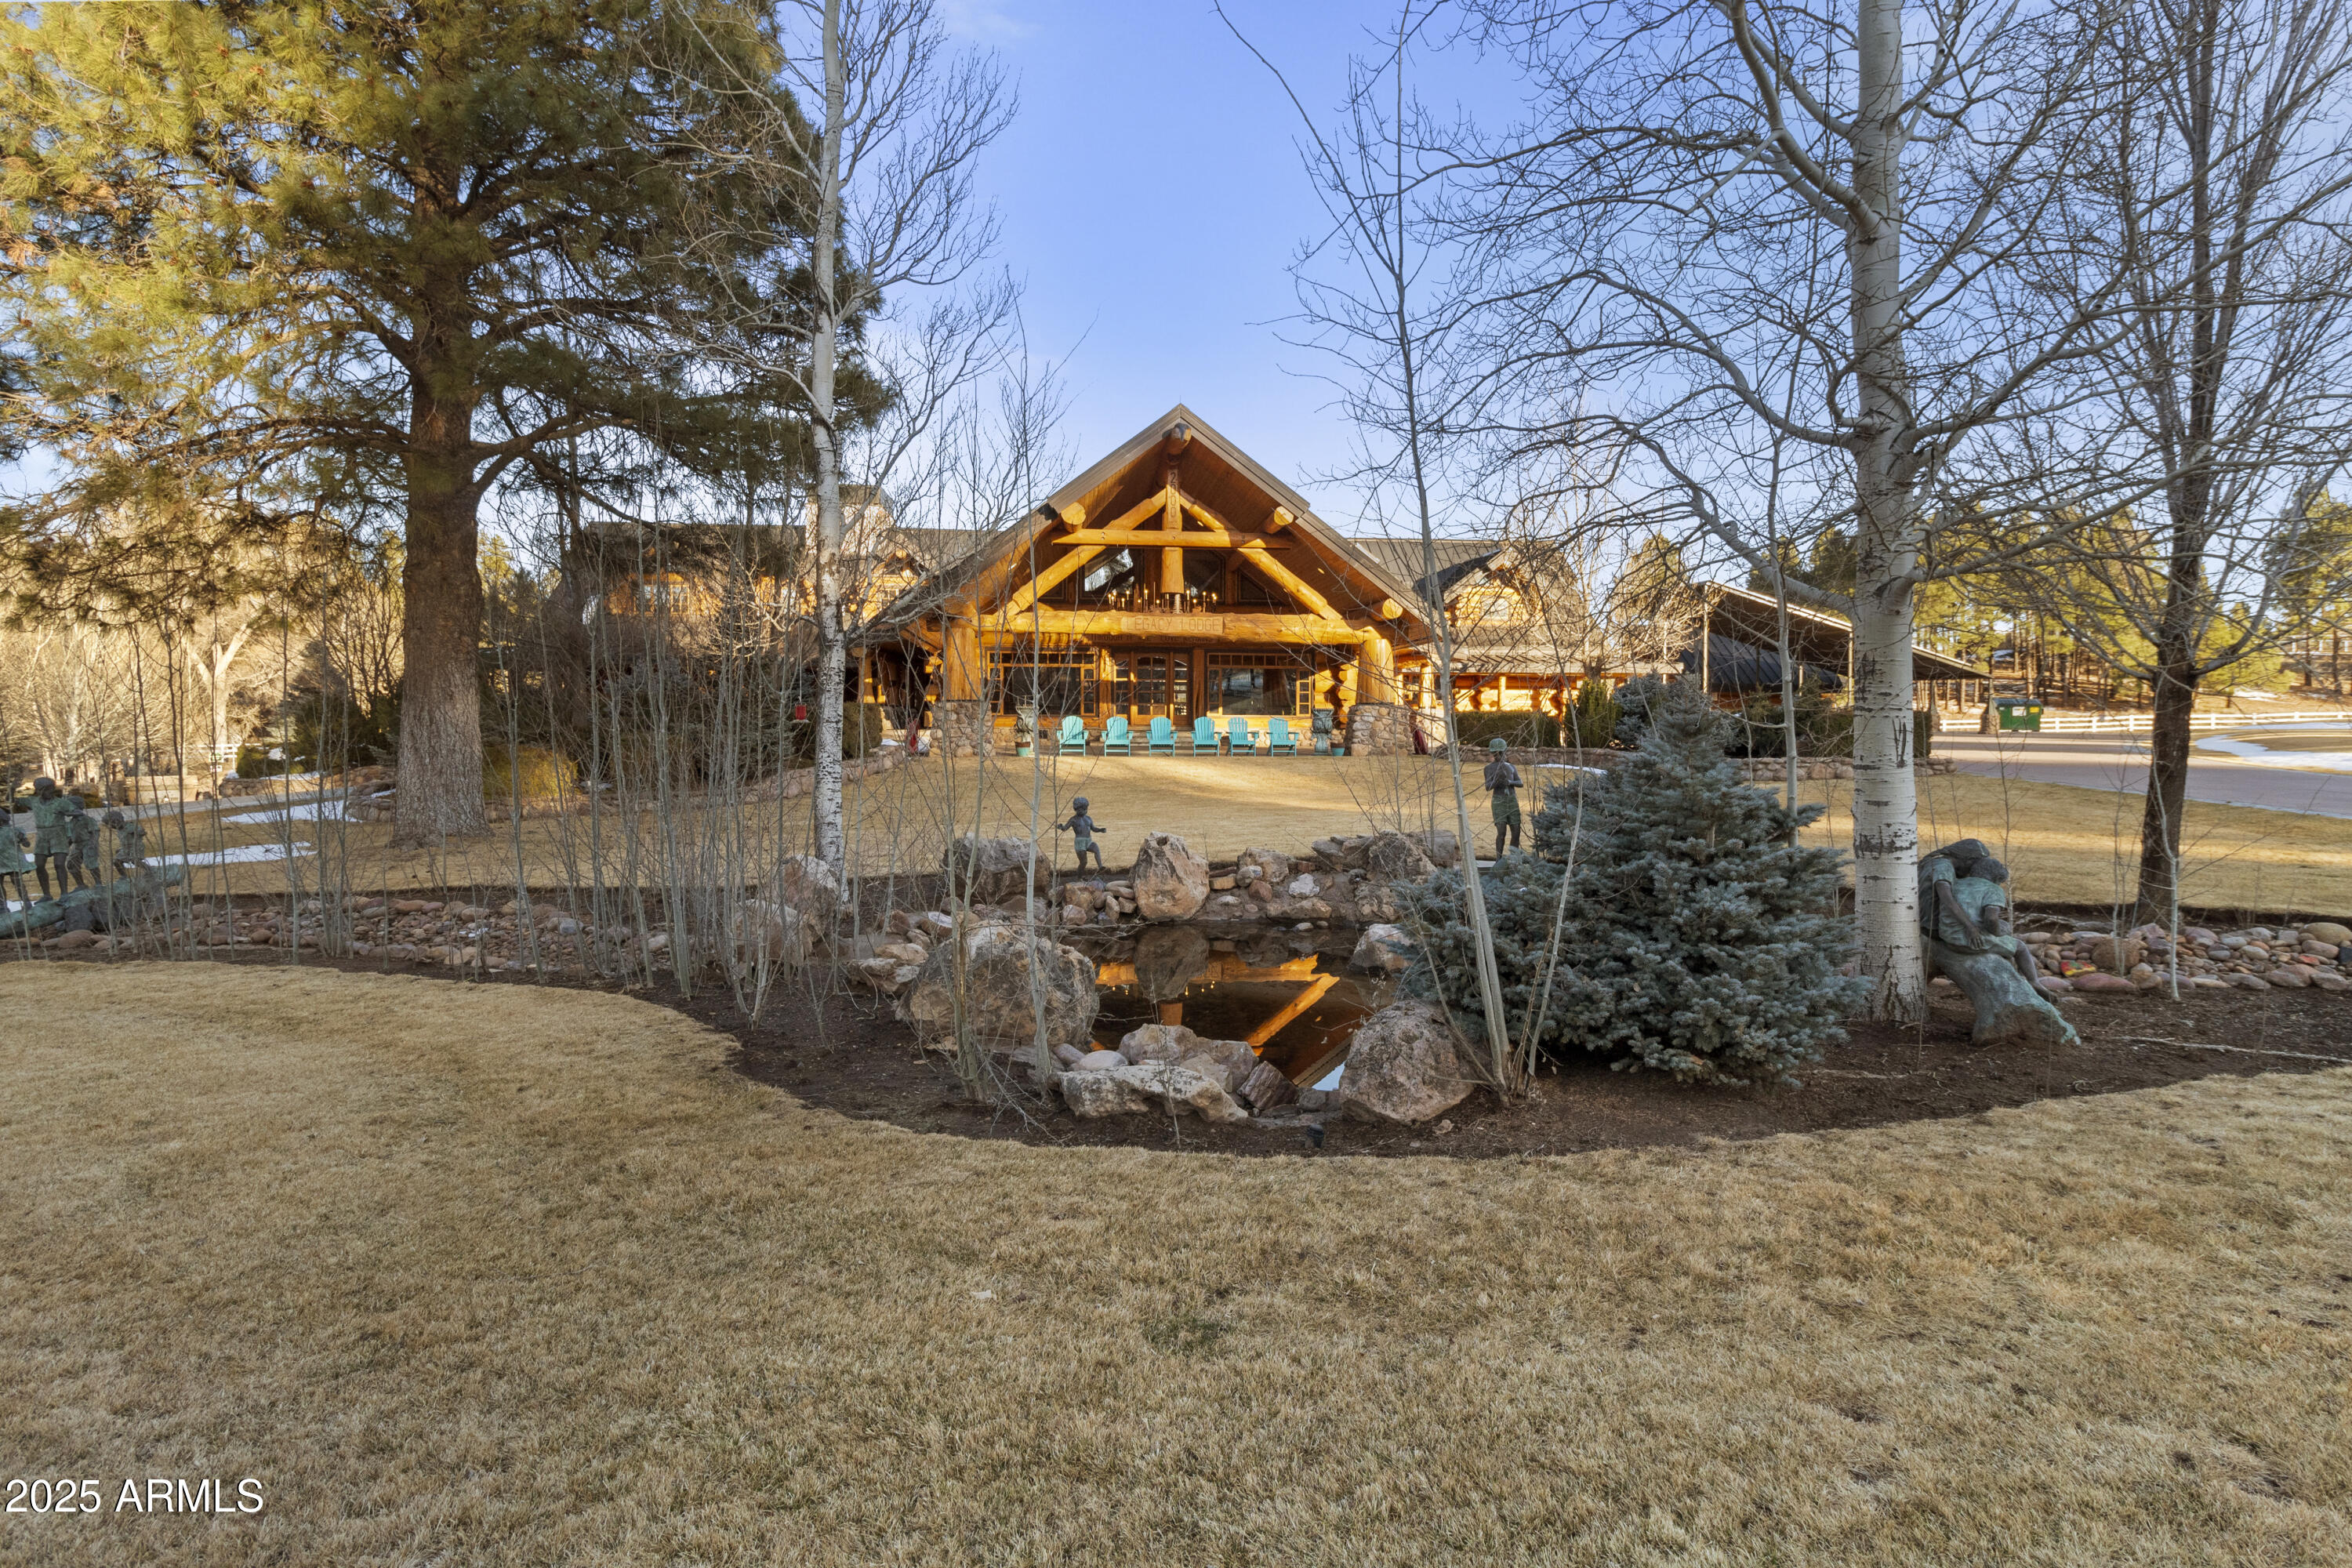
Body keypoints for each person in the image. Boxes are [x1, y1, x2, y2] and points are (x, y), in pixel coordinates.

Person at [28, 776, 72, 898]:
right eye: (47, 790)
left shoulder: (60, 803)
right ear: (40, 791)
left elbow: (78, 812)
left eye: (52, 789)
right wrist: (12, 788)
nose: (50, 792)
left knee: (59, 864)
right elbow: (10, 800)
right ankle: (47, 894)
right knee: (39, 865)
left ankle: (64, 893)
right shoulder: (33, 801)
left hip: (58, 834)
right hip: (42, 836)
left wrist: (67, 813)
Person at [1483, 737, 1523, 858]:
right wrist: (1497, 780)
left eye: (1501, 752)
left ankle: (1513, 858)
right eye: (1497, 753)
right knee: (1501, 832)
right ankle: (1499, 859)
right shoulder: (1489, 768)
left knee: (1516, 831)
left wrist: (1510, 782)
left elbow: (1520, 783)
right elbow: (1488, 787)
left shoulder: (1511, 767)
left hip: (1512, 801)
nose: (1500, 755)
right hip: (1499, 801)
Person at [1058, 796, 1106, 874]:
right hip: (1080, 843)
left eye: (1085, 809)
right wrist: (1061, 827)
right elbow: (1065, 828)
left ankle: (1100, 867)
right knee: (1084, 862)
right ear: (1076, 809)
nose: (1084, 811)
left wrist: (1100, 830)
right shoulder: (1073, 820)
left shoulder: (1088, 819)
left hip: (1089, 841)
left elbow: (1093, 829)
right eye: (1082, 809)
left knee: (1096, 848)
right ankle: (1080, 877)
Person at [62, 793, 101, 888]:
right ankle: (81, 885)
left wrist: (93, 843)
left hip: (88, 843)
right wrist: (66, 847)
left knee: (91, 864)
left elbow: (95, 832)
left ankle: (99, 884)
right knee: (71, 864)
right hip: (77, 845)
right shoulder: (71, 822)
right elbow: (70, 837)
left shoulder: (87, 819)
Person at [103, 808, 149, 876]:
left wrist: (139, 832)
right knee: (116, 862)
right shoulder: (119, 829)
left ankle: (149, 870)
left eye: (111, 824)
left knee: (135, 861)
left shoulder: (130, 827)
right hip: (125, 848)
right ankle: (124, 877)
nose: (110, 827)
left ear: (117, 821)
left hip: (136, 847)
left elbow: (141, 831)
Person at [0, 816, 31, 908]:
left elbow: (27, 845)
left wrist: (23, 839)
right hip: (1, 862)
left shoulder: (15, 831)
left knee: (17, 881)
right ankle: (2, 905)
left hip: (14, 861)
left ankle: (26, 902)